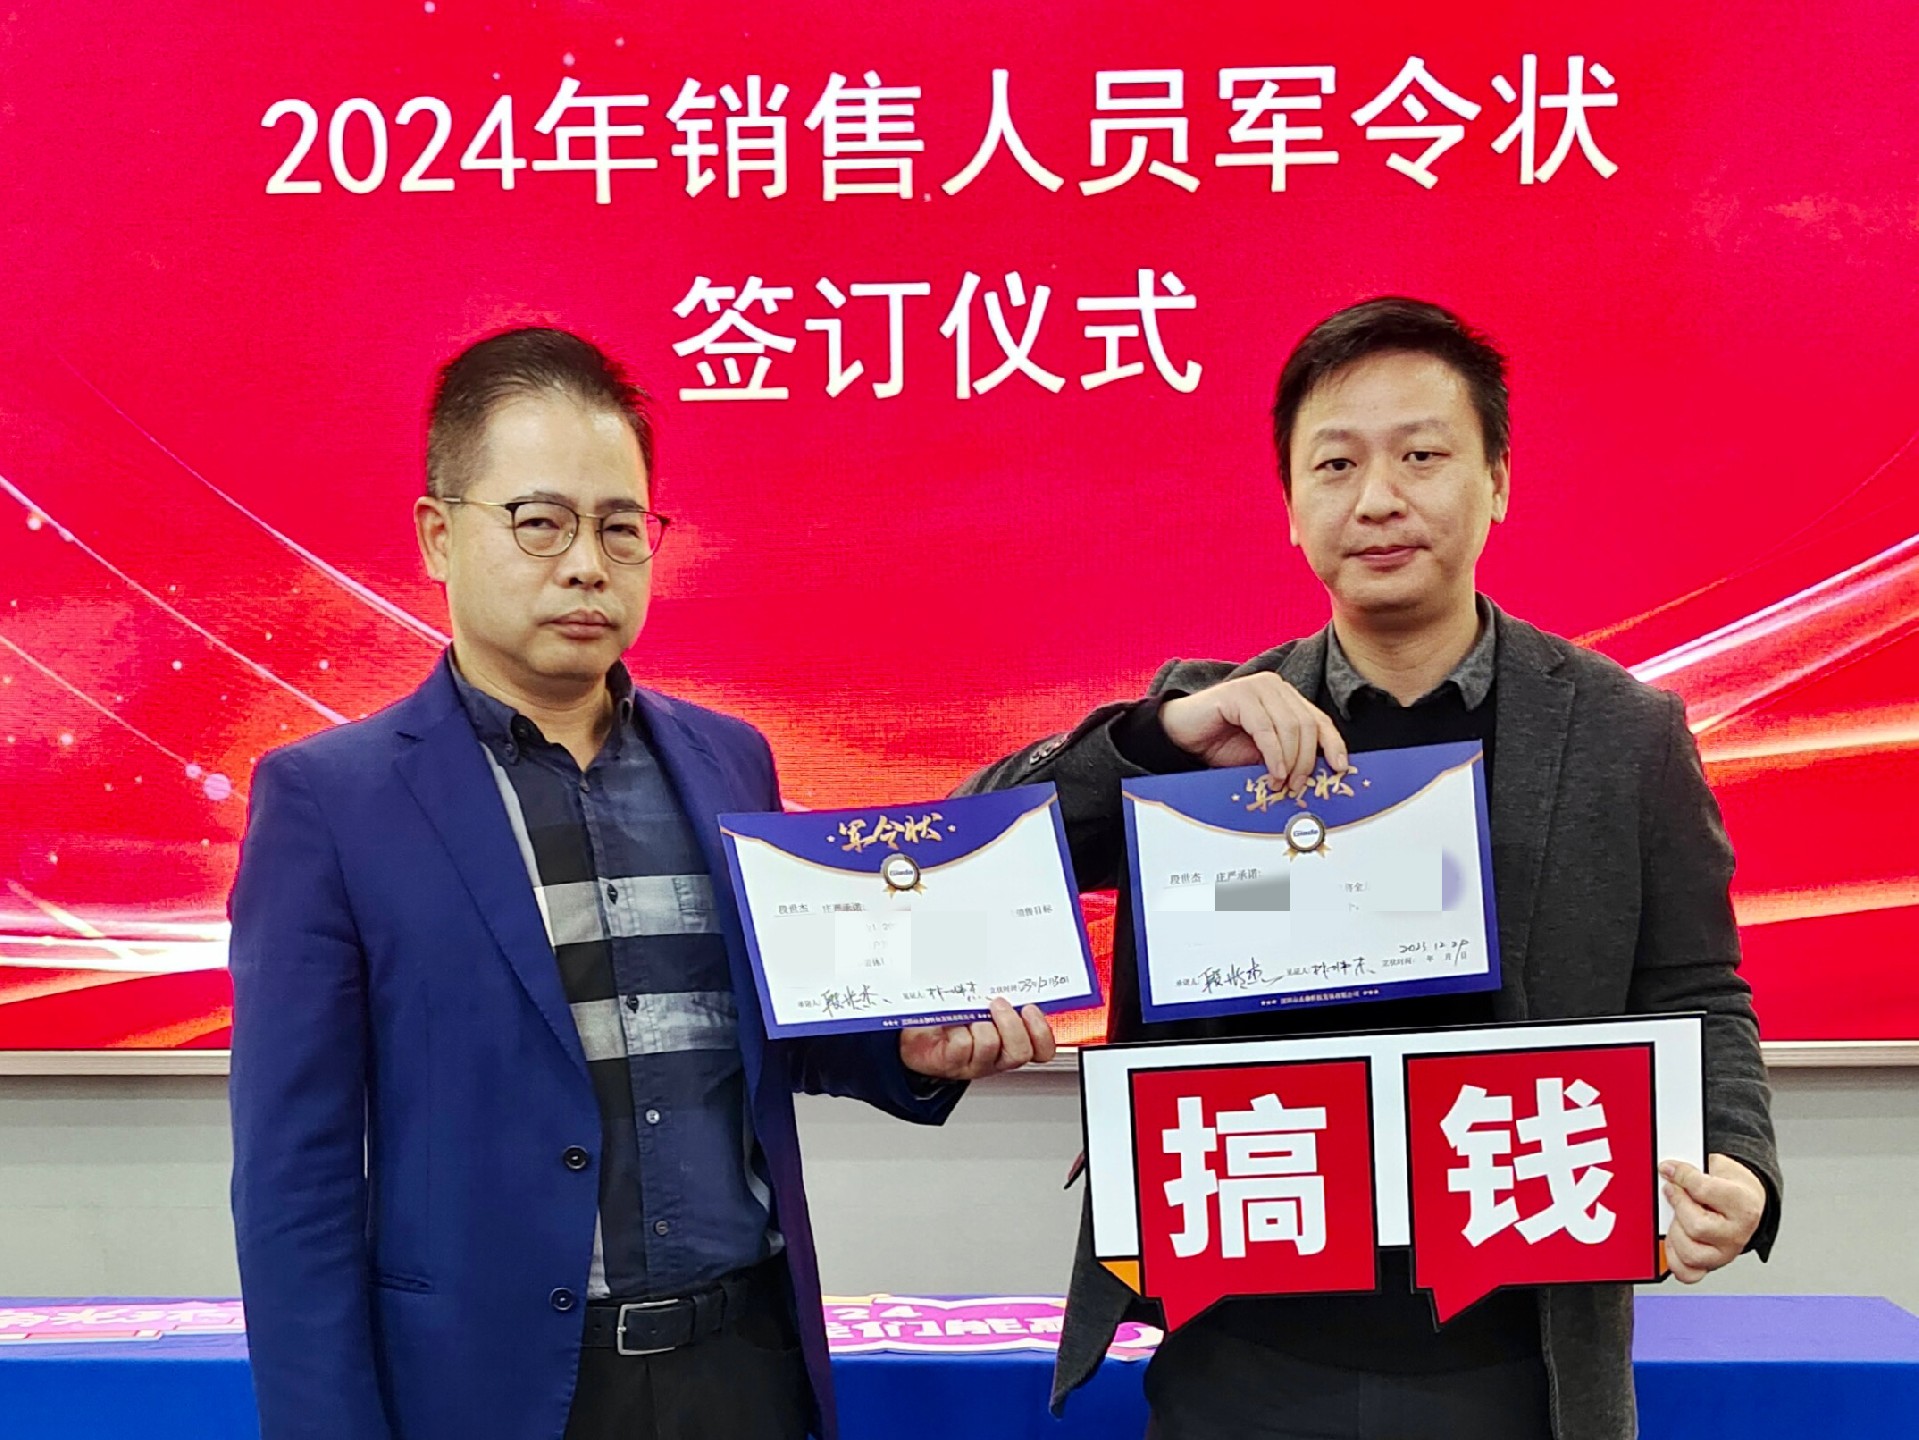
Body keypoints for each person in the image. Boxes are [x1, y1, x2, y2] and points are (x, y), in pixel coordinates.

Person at [958, 297, 1780, 1440]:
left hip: (1514, 1356)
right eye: (1335, 464)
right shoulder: (1211, 723)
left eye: (1420, 456)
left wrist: (1738, 1162)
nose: (1377, 498)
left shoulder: (1619, 731)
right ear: (1290, 509)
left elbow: (1696, 988)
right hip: (1239, 1342)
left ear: (1496, 481)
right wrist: (1152, 737)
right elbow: (976, 845)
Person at [228, 326, 1056, 1440]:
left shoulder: (729, 761)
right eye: (540, 522)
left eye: (622, 528)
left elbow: (768, 1029)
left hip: (743, 1367)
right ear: (437, 534)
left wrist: (901, 1051)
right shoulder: (329, 802)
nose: (587, 565)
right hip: (496, 1392)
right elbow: (294, 1178)